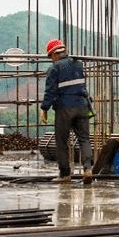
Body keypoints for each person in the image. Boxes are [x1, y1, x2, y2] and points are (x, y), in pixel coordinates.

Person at [40, 39, 94, 184]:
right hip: (82, 105)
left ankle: (65, 175)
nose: (51, 59)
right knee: (84, 139)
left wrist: (44, 108)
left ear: (54, 54)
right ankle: (88, 169)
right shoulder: (78, 65)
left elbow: (50, 92)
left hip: (65, 108)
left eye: (51, 56)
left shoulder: (54, 68)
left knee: (62, 141)